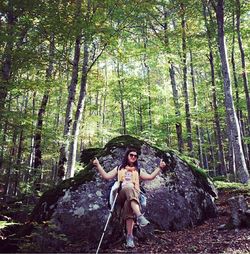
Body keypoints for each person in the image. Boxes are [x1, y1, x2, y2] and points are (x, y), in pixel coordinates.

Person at [93, 148, 167, 248]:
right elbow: (106, 176)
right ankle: (140, 216)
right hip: (120, 195)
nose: (133, 157)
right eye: (131, 155)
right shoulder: (119, 168)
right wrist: (97, 165)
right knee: (128, 187)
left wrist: (160, 167)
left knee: (130, 205)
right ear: (127, 156)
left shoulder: (138, 170)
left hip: (132, 197)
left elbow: (150, 177)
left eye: (135, 156)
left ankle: (129, 237)